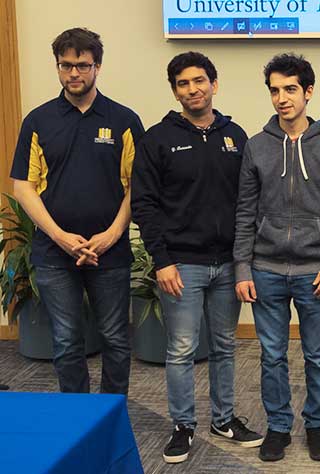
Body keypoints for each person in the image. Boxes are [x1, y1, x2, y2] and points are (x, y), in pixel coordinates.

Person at [131, 51, 262, 464]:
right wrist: (162, 260)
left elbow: (249, 202)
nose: (193, 89)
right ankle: (183, 425)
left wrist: (244, 260)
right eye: (183, 83)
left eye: (199, 81)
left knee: (225, 346)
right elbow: (145, 204)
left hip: (227, 264)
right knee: (182, 348)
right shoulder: (157, 139)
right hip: (180, 265)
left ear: (214, 84)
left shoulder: (235, 136)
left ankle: (223, 419)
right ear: (175, 91)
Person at [233, 53, 320, 463]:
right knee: (271, 355)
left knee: (317, 354)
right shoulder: (256, 146)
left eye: (289, 89)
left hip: (314, 272)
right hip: (266, 269)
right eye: (274, 90)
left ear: (308, 92)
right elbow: (245, 212)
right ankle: (280, 427)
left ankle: (317, 424)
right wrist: (242, 267)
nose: (281, 98)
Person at [11, 27, 143, 395]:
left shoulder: (124, 120)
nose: (73, 73)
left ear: (97, 66)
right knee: (67, 342)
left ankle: (111, 410)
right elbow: (23, 186)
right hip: (55, 253)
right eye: (65, 65)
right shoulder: (38, 121)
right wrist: (60, 237)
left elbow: (138, 186)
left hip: (110, 252)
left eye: (82, 65)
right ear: (57, 67)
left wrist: (112, 234)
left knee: (116, 339)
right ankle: (77, 414)